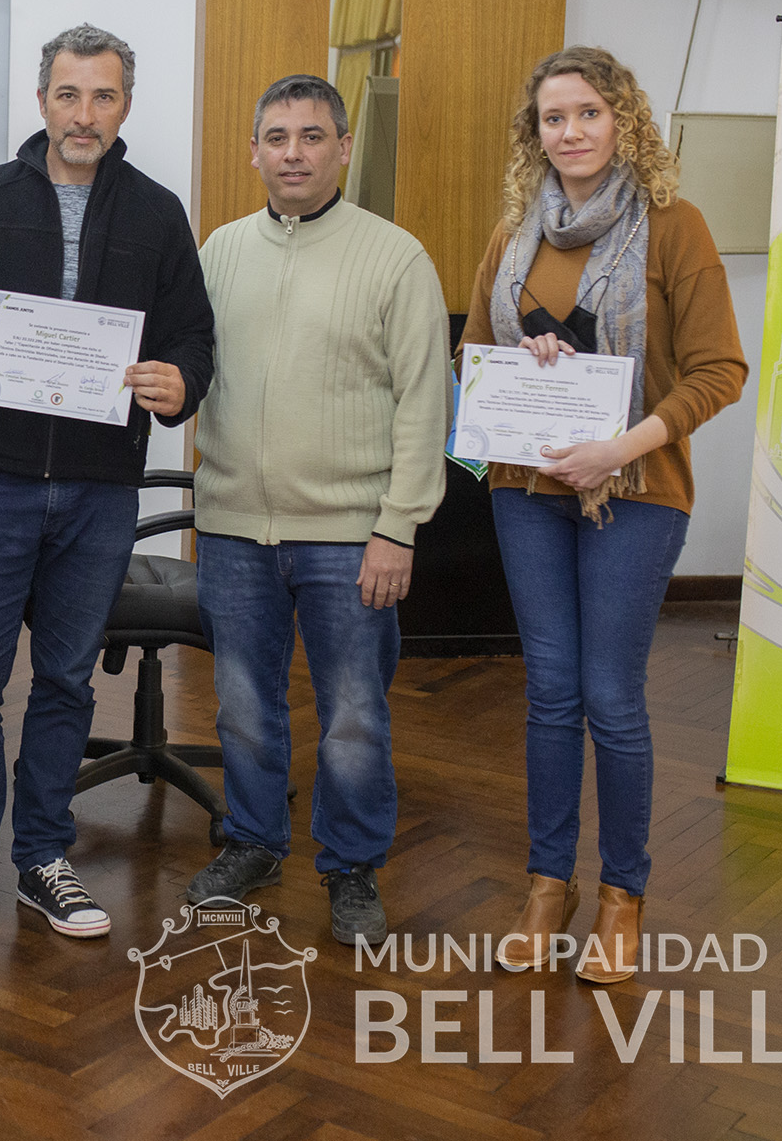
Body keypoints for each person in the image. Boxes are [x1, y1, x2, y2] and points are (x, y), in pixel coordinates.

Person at [0, 24, 214, 943]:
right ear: (41, 102)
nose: (83, 114)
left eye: (102, 96)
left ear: (124, 106)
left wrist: (180, 381)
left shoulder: (156, 213)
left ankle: (41, 859)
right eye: (67, 95)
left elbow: (192, 337)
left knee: (66, 684)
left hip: (99, 491)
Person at [466, 47, 746, 982]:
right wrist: (521, 364)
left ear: (622, 121)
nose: (571, 131)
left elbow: (719, 371)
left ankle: (623, 894)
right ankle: (548, 884)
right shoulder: (513, 234)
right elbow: (474, 354)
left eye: (587, 112)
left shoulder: (672, 227)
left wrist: (618, 447)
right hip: (524, 490)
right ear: (534, 133)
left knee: (610, 698)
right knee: (549, 693)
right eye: (553, 118)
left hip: (636, 491)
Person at [183, 73, 449, 948]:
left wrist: (397, 526)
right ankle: (253, 843)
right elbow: (191, 369)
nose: (292, 153)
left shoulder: (394, 257)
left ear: (341, 147)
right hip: (233, 526)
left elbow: (424, 403)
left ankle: (351, 866)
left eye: (310, 136)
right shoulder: (219, 251)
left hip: (351, 536)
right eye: (276, 137)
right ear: (252, 151)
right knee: (241, 706)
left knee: (353, 717)